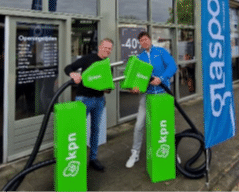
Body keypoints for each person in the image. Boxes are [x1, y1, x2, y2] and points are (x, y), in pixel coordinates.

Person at [125, 31, 177, 168]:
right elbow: (137, 79)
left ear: (150, 39)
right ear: (140, 43)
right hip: (147, 96)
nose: (144, 42)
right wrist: (133, 88)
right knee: (139, 125)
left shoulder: (161, 52)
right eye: (141, 40)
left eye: (146, 39)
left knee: (167, 125)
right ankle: (135, 153)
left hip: (162, 94)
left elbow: (172, 66)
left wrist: (162, 78)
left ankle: (172, 151)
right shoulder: (139, 58)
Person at [64, 38, 113, 172]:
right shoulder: (88, 59)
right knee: (77, 130)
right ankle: (75, 158)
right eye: (105, 47)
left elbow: (108, 89)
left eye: (109, 49)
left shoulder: (107, 65)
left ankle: (93, 158)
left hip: (99, 101)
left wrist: (104, 87)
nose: (107, 50)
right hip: (83, 99)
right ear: (99, 47)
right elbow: (68, 68)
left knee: (95, 130)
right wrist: (73, 74)